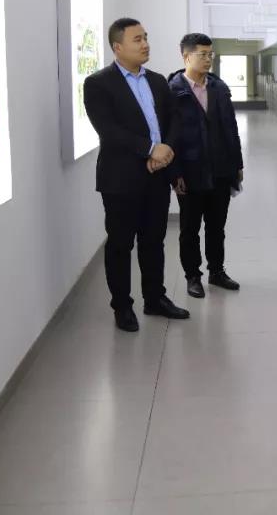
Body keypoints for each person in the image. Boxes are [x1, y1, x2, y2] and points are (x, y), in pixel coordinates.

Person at [83, 17, 190, 332]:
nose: (145, 44)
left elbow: (174, 119)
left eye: (146, 37)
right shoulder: (98, 84)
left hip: (157, 175)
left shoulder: (157, 81)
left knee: (154, 241)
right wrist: (150, 149)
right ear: (117, 47)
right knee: (120, 244)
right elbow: (109, 130)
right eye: (137, 39)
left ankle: (155, 298)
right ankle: (122, 307)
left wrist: (165, 151)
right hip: (121, 180)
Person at [168, 33, 244, 299]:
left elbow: (231, 128)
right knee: (190, 228)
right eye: (202, 54)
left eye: (211, 54)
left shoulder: (218, 88)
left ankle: (217, 271)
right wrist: (175, 172)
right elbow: (169, 136)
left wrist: (237, 164)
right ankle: (193, 276)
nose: (208, 59)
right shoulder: (173, 91)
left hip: (221, 170)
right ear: (186, 56)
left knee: (216, 227)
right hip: (190, 173)